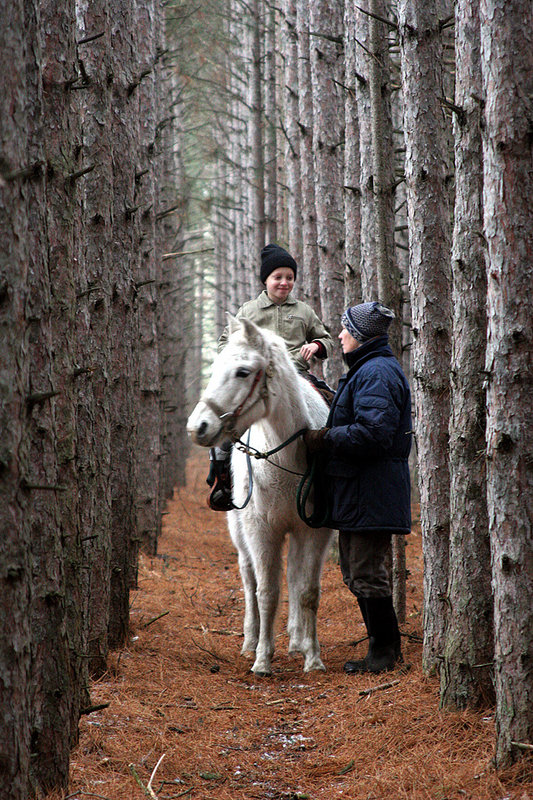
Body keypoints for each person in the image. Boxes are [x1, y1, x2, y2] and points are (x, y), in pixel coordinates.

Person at [303, 301, 412, 674]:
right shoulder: (369, 369)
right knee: (355, 570)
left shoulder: (377, 372)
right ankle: (382, 649)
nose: (339, 335)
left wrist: (327, 437)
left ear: (362, 335)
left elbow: (374, 434)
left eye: (346, 329)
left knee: (365, 572)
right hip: (362, 491)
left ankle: (384, 654)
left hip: (372, 491)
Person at [208, 243, 334, 511]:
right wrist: (237, 358)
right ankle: (223, 483)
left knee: (334, 411)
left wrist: (318, 346)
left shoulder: (303, 311)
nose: (284, 282)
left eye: (289, 277)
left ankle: (326, 486)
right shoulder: (249, 311)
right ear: (265, 280)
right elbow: (224, 343)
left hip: (299, 377)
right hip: (258, 384)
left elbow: (325, 338)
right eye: (278, 277)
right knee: (228, 427)